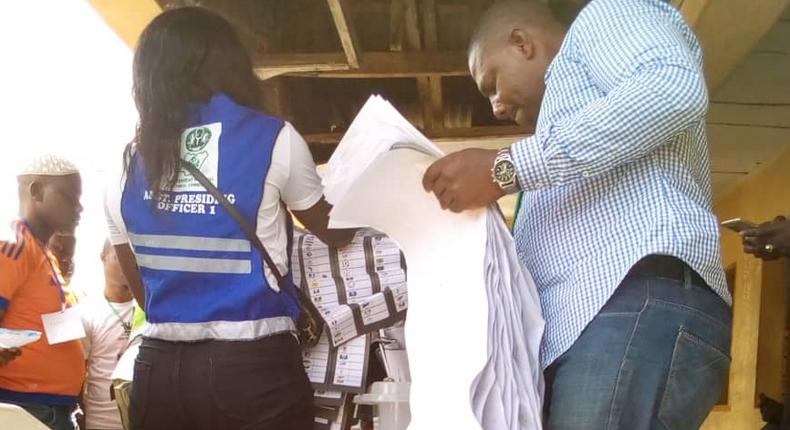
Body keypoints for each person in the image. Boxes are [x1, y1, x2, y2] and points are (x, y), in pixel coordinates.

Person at [422, 1, 733, 428]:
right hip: (596, 322)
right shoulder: (563, 135)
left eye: (491, 82)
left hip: (630, 297)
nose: (494, 106)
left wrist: (506, 168)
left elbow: (671, 87)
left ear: (521, 42)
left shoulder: (606, 16)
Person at [104, 7, 355, 430]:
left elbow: (145, 297)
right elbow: (338, 231)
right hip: (252, 371)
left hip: (159, 373)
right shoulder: (273, 138)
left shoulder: (128, 164)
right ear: (230, 64)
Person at [0, 154, 85, 430]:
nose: (79, 207)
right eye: (70, 197)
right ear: (36, 191)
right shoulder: (13, 244)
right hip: (25, 409)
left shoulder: (41, 251)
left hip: (50, 410)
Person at [81, 241, 135, 430]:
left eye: (134, 257)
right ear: (103, 257)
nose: (128, 264)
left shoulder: (150, 310)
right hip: (101, 422)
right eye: (120, 256)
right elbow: (80, 374)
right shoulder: (86, 313)